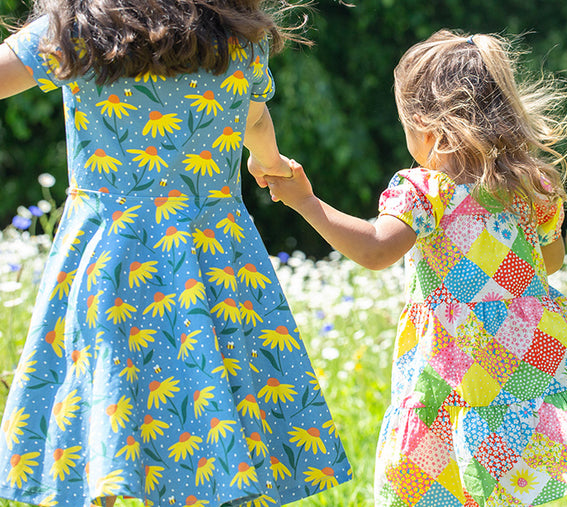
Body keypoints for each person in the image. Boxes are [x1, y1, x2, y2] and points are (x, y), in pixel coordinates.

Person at [266, 29, 567, 506]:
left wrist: (305, 201)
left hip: (459, 358)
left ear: (428, 127)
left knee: (450, 471)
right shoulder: (531, 182)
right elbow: (549, 261)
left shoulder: (427, 189)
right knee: (510, 479)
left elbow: (375, 251)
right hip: (532, 351)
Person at [0, 2, 351, 506]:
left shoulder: (73, 33)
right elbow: (256, 118)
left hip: (113, 258)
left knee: (112, 410)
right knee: (211, 415)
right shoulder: (238, 40)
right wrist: (269, 162)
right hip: (214, 260)